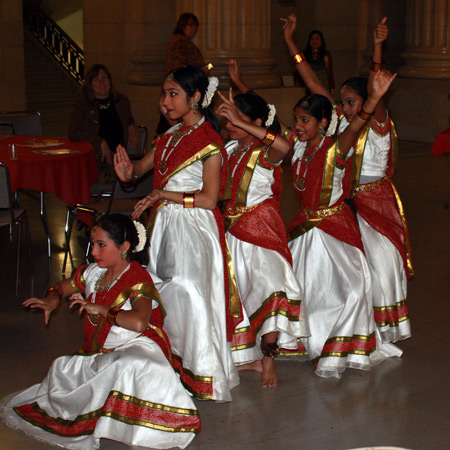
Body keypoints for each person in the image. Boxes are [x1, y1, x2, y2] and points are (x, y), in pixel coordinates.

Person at [0, 213, 201, 450]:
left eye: (101, 245)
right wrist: (52, 299)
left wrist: (103, 309)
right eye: (93, 244)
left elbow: (139, 323)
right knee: (60, 370)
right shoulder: (95, 272)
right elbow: (61, 286)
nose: (94, 252)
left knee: (126, 365)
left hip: (137, 347)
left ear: (124, 247)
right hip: (101, 352)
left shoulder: (137, 279)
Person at [114, 66, 241, 402]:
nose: (164, 101)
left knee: (191, 295)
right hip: (164, 229)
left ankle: (202, 373)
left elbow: (209, 199)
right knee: (163, 296)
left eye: (173, 94)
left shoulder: (210, 143)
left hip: (194, 228)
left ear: (196, 98)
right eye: (164, 94)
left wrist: (162, 195)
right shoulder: (168, 138)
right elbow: (141, 170)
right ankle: (168, 367)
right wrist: (128, 172)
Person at [284, 14, 414, 344]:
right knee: (352, 268)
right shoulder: (341, 122)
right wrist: (290, 44)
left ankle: (387, 328)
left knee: (381, 266)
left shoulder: (377, 118)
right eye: (341, 103)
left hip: (376, 201)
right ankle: (354, 325)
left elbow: (374, 91)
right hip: (346, 203)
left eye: (350, 101)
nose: (344, 107)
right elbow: (312, 83)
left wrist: (378, 46)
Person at [216, 90, 309, 388]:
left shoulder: (265, 151)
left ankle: (269, 360)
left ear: (257, 122)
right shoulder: (229, 149)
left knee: (272, 291)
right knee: (237, 296)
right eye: (229, 116)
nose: (231, 123)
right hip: (232, 232)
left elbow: (284, 145)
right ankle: (249, 358)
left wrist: (248, 125)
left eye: (239, 118)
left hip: (261, 232)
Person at [68, 64, 138, 188]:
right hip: (94, 157)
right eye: (96, 79)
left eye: (104, 78)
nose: (101, 82)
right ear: (90, 85)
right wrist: (99, 142)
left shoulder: (122, 101)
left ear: (110, 81)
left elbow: (128, 118)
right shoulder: (81, 104)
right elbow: (73, 132)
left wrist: (131, 125)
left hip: (118, 156)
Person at [294, 29, 334, 94]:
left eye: (317, 39)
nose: (314, 41)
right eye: (312, 39)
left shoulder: (326, 55)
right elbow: (298, 71)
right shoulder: (303, 55)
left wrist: (332, 90)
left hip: (323, 87)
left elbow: (330, 73)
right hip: (309, 88)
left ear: (321, 41)